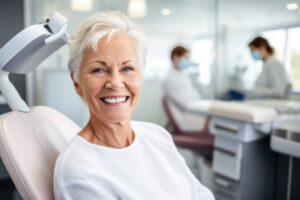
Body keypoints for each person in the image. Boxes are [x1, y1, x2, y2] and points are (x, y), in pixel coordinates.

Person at [53, 11, 214, 200]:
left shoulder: (158, 136)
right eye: (99, 70)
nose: (115, 82)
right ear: (77, 82)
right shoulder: (80, 174)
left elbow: (200, 194)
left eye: (127, 68)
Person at [164, 46, 206, 131]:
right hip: (185, 120)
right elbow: (186, 103)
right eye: (186, 58)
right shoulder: (171, 79)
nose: (188, 61)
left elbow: (194, 95)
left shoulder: (182, 76)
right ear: (176, 58)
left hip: (191, 115)